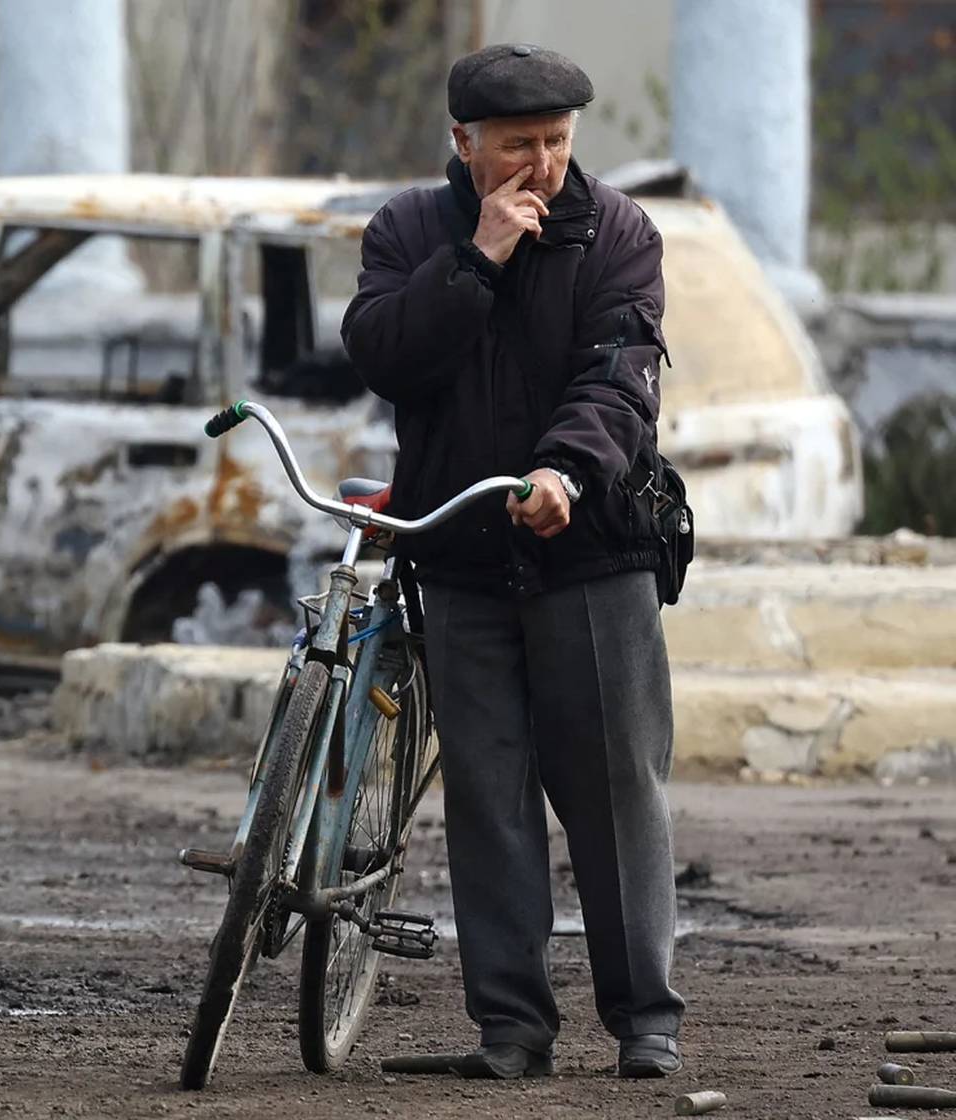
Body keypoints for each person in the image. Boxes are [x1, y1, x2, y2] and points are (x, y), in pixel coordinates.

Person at [341, 43, 686, 1080]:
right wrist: (476, 262)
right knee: (488, 797)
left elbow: (621, 380)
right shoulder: (409, 230)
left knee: (617, 789)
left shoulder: (618, 232)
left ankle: (646, 1024)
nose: (541, 164)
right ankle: (512, 1029)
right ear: (464, 142)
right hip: (461, 557)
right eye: (516, 145)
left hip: (593, 552)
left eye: (556, 141)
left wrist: (566, 474)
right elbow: (381, 352)